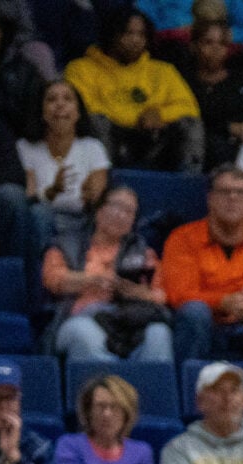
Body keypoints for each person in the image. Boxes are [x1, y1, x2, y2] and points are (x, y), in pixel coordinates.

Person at [45, 180, 171, 364]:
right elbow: (53, 278)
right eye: (116, 206)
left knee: (159, 333)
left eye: (129, 211)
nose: (121, 215)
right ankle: (107, 391)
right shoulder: (66, 244)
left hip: (128, 321)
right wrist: (93, 280)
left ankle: (150, 390)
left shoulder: (143, 252)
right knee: (84, 334)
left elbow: (161, 295)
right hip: (81, 318)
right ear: (99, 210)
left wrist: (139, 293)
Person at [68, 8, 201, 170]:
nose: (135, 40)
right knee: (97, 121)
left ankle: (189, 180)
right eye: (128, 33)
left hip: (155, 140)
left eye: (141, 35)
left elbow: (189, 107)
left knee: (190, 123)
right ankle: (103, 178)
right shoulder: (80, 68)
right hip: (111, 138)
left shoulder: (163, 70)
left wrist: (159, 114)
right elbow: (84, 108)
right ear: (111, 34)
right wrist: (138, 117)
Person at [21, 78, 108, 249]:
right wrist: (53, 191)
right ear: (42, 111)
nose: (60, 105)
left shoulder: (93, 147)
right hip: (42, 219)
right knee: (38, 214)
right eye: (51, 99)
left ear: (78, 112)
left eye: (68, 99)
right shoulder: (26, 147)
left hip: (81, 220)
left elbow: (97, 196)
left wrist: (89, 196)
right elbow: (29, 197)